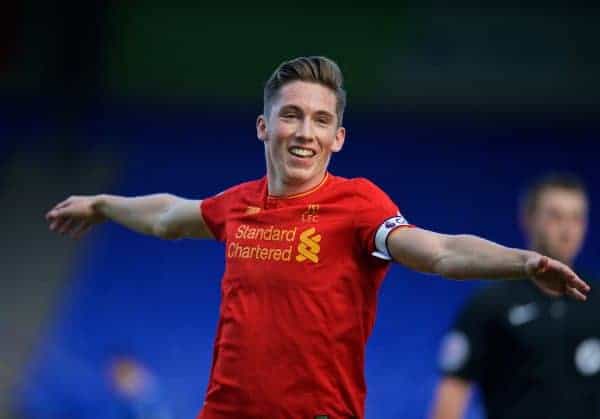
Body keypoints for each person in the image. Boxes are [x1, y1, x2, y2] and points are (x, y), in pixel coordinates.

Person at [45, 56, 590, 419]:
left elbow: (441, 251)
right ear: (264, 126)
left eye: (321, 120)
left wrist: (522, 262)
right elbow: (168, 216)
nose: (305, 132)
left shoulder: (358, 205)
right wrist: (101, 204)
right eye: (292, 116)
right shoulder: (239, 205)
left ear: (338, 137)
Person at [430, 174, 597, 419]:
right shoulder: (491, 304)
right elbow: (451, 398)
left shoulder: (597, 299)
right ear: (528, 219)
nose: (567, 229)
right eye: (555, 216)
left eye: (576, 218)